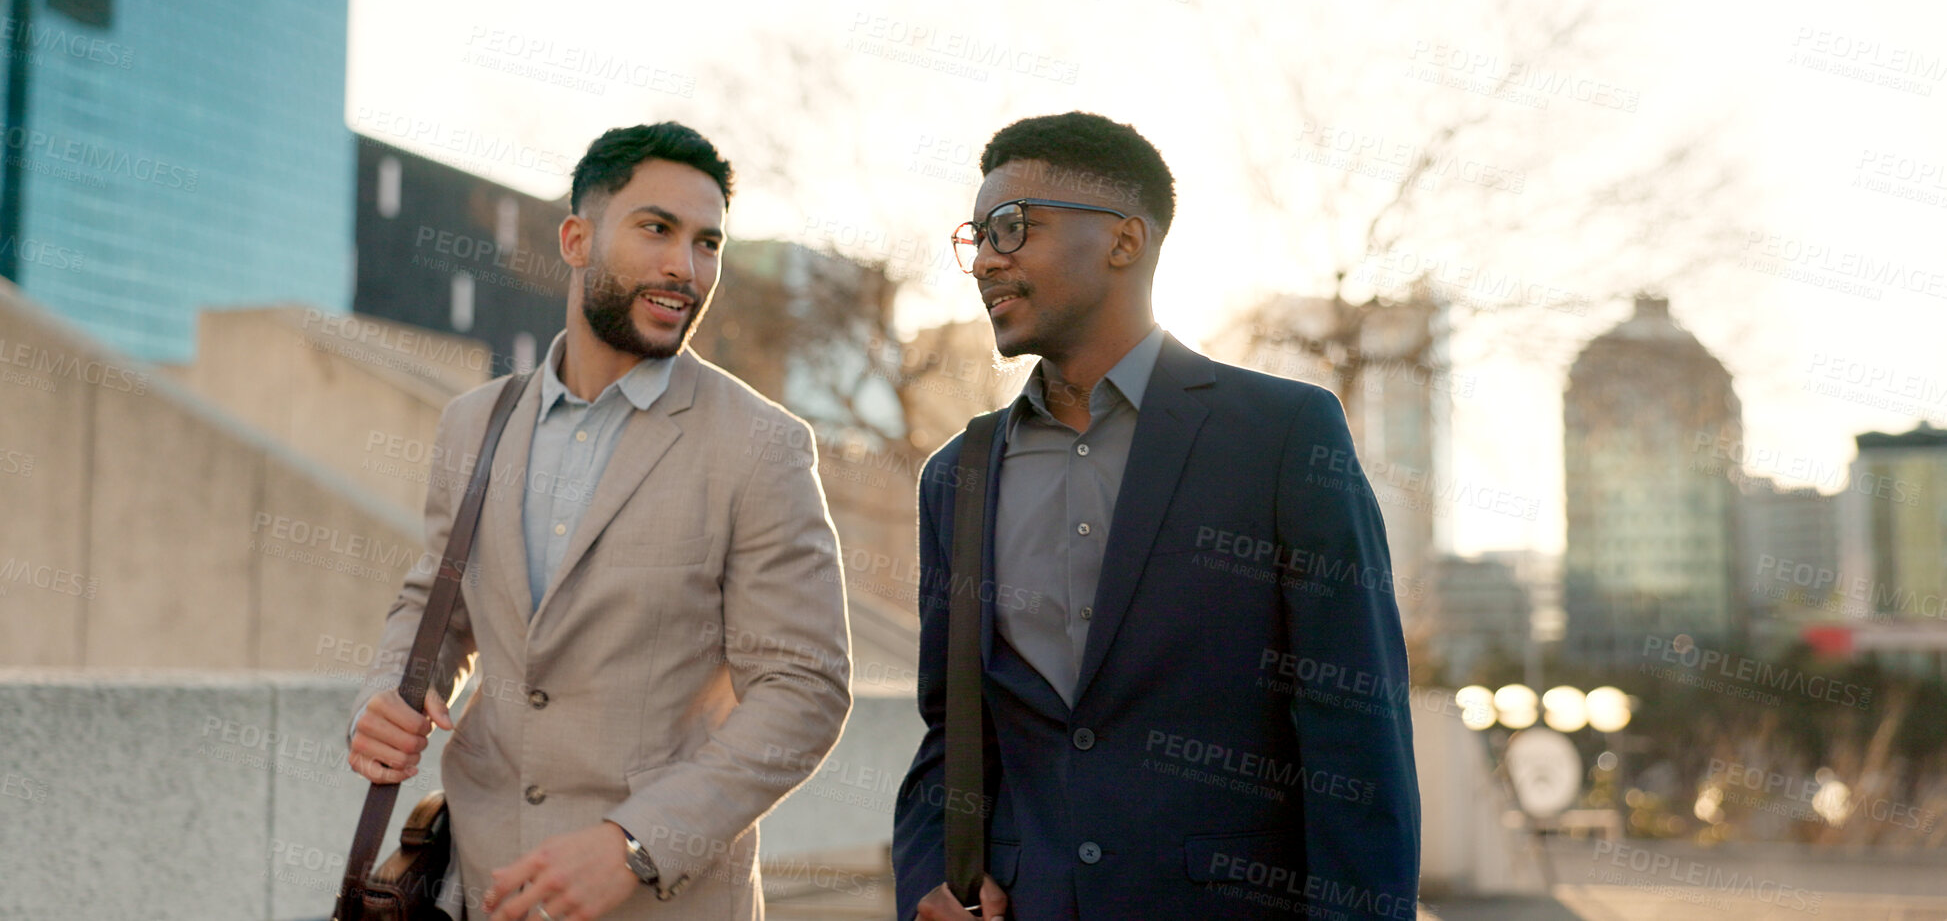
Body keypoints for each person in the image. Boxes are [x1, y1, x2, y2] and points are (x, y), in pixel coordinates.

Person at [893, 112, 1420, 920]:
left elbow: (1357, 737)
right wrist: (930, 878)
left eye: (1011, 227)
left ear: (1123, 242)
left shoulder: (1283, 434)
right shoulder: (954, 477)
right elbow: (951, 734)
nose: (986, 260)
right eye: (977, 236)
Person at [347, 122, 852, 921]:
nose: (684, 267)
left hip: (664, 902)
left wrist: (635, 842)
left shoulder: (762, 446)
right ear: (577, 239)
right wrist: (390, 691)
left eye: (707, 242)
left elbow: (803, 690)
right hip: (480, 884)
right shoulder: (474, 423)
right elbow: (436, 606)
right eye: (656, 228)